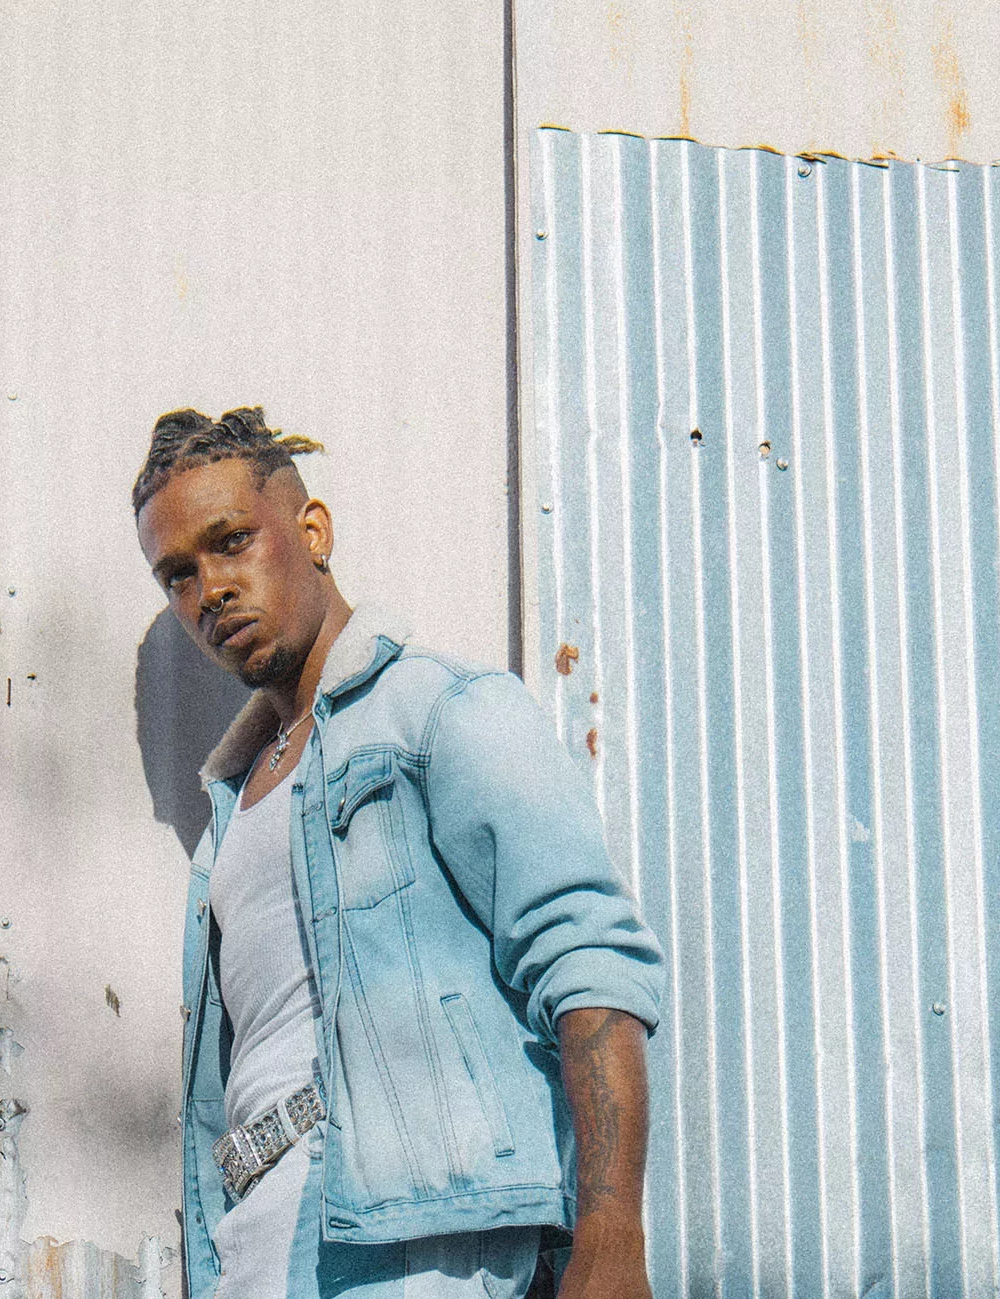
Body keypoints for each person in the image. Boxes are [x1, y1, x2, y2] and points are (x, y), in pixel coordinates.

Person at [133, 407, 664, 1298]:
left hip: (419, 1242)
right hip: (259, 1248)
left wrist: (610, 1234)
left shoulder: (440, 710)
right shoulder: (228, 810)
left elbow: (588, 958)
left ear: (312, 530)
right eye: (177, 574)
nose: (209, 589)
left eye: (231, 542)